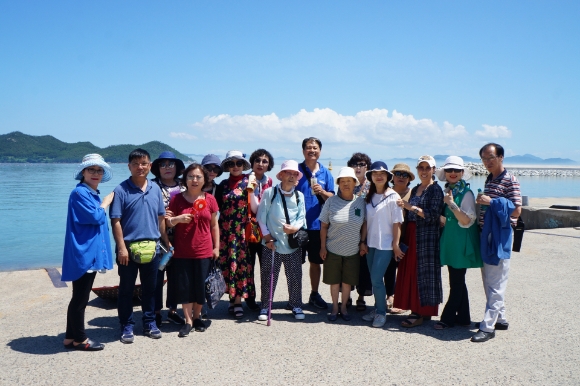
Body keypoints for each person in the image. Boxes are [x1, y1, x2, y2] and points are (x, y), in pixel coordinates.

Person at [110, 148, 170, 343]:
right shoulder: (121, 190)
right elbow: (116, 221)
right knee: (126, 289)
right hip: (128, 248)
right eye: (135, 164)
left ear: (150, 166)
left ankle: (149, 322)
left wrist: (166, 242)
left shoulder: (155, 189)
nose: (140, 167)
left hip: (152, 247)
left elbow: (161, 218)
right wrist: (121, 247)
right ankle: (126, 325)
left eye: (143, 163)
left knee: (151, 288)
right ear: (129, 167)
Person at [62, 154, 114, 351]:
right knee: (80, 298)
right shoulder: (81, 193)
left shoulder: (89, 193)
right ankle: (80, 339)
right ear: (83, 172)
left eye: (99, 170)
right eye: (91, 169)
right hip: (84, 253)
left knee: (79, 296)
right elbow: (95, 217)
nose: (96, 173)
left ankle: (69, 336)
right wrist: (106, 202)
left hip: (87, 251)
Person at [471, 143, 522, 343]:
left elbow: (517, 211)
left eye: (491, 157)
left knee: (496, 283)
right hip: (486, 234)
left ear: (501, 157)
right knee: (489, 279)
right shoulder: (490, 178)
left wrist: (491, 202)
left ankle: (488, 326)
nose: (487, 162)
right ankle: (500, 318)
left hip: (499, 237)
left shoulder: (510, 180)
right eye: (484, 158)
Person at [166, 163, 220, 337]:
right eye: (191, 176)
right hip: (182, 250)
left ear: (204, 179)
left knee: (200, 286)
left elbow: (214, 225)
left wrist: (217, 247)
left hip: (204, 250)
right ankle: (188, 321)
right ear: (185, 179)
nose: (194, 180)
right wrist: (177, 219)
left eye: (198, 177)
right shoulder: (176, 199)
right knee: (185, 287)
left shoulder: (210, 199)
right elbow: (167, 222)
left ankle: (197, 317)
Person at [394, 155, 444, 328]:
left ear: (433, 170)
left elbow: (433, 215)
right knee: (412, 271)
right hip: (412, 233)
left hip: (427, 236)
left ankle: (419, 312)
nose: (424, 171)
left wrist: (410, 207)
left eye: (427, 168)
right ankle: (419, 310)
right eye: (421, 168)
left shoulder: (436, 190)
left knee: (423, 273)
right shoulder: (415, 189)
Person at [434, 156, 482, 330]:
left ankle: (447, 318)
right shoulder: (450, 189)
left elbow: (467, 220)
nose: (452, 173)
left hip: (462, 241)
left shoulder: (466, 193)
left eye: (456, 170)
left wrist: (452, 205)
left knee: (456, 280)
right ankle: (463, 317)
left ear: (462, 173)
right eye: (449, 170)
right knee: (457, 280)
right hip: (452, 239)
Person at [256, 160, 307, 321]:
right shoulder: (270, 193)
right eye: (288, 173)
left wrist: (294, 228)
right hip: (272, 243)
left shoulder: (299, 196)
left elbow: (301, 218)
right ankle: (265, 306)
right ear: (281, 175)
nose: (291, 176)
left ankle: (296, 304)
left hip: (292, 243)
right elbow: (261, 218)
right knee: (268, 275)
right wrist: (267, 237)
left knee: (295, 275)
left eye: (294, 174)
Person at [360, 162, 405, 328]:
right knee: (375, 280)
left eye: (382, 173)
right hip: (371, 244)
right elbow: (366, 222)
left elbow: (397, 223)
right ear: (371, 177)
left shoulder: (393, 197)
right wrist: (363, 242)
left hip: (385, 245)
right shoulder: (370, 197)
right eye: (375, 173)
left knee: (376, 279)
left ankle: (381, 313)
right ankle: (377, 307)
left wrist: (396, 244)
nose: (378, 176)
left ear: (387, 177)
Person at [319, 167, 366, 321]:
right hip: (333, 249)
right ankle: (334, 307)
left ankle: (344, 307)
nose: (346, 184)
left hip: (353, 250)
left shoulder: (360, 202)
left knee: (347, 282)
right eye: (342, 181)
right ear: (338, 183)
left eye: (349, 181)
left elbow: (365, 224)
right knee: (334, 281)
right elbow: (324, 225)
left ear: (355, 183)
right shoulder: (331, 201)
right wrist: (323, 247)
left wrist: (363, 242)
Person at [215, 150, 256, 319]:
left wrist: (252, 189)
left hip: (241, 232)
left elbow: (255, 208)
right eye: (231, 164)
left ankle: (238, 301)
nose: (235, 167)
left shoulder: (249, 182)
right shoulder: (222, 185)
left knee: (240, 266)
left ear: (243, 165)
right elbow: (214, 208)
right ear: (227, 166)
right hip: (225, 231)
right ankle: (232, 300)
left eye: (239, 163)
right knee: (227, 265)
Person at [296, 137, 335, 309]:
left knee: (315, 262)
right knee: (295, 263)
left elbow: (333, 197)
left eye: (315, 147)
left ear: (320, 151)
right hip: (297, 224)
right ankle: (294, 296)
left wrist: (323, 192)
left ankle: (314, 293)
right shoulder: (295, 171)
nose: (312, 150)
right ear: (303, 150)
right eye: (308, 147)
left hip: (318, 225)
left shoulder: (326, 173)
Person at [151, 151, 186, 326]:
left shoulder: (184, 185)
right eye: (162, 164)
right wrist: (161, 214)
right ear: (157, 168)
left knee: (176, 277)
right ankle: (156, 312)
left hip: (181, 238)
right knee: (157, 276)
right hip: (158, 238)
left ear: (177, 167)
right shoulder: (151, 186)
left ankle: (172, 310)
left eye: (170, 164)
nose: (167, 167)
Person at [246, 149, 274, 311]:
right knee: (248, 266)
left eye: (264, 161)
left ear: (269, 164)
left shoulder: (269, 181)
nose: (260, 164)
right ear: (252, 162)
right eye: (257, 160)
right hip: (248, 230)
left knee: (266, 267)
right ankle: (250, 299)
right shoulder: (245, 180)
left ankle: (266, 300)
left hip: (265, 230)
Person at [385, 163, 415, 315]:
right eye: (398, 174)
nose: (401, 177)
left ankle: (403, 300)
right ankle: (390, 295)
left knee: (405, 270)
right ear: (392, 177)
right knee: (389, 268)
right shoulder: (386, 192)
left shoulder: (414, 193)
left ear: (409, 178)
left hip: (408, 237)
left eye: (405, 175)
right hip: (387, 236)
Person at [347, 153, 373, 312]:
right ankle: (347, 296)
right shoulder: (347, 182)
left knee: (364, 265)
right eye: (355, 164)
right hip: (349, 229)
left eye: (362, 164)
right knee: (349, 263)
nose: (358, 167)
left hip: (367, 229)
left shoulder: (372, 185)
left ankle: (361, 297)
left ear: (367, 167)